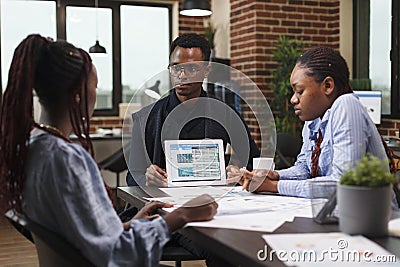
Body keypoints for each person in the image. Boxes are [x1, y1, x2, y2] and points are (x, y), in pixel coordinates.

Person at [0, 34, 218, 267]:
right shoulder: (66, 160)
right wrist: (181, 216)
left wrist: (134, 222)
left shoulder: (33, 146)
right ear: (78, 95)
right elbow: (117, 254)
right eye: (95, 86)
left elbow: (87, 235)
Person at [227, 46, 397, 203]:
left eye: (300, 91)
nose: (293, 99)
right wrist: (274, 175)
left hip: (374, 223)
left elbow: (342, 183)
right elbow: (305, 168)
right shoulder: (314, 120)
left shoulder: (347, 105)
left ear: (328, 86)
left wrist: (272, 186)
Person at [126, 33, 260, 187]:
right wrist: (147, 180)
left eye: (192, 68)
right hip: (163, 204)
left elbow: (254, 162)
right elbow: (132, 176)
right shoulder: (145, 118)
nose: (182, 75)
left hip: (213, 202)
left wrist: (239, 173)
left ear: (206, 70)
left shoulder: (225, 114)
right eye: (176, 68)